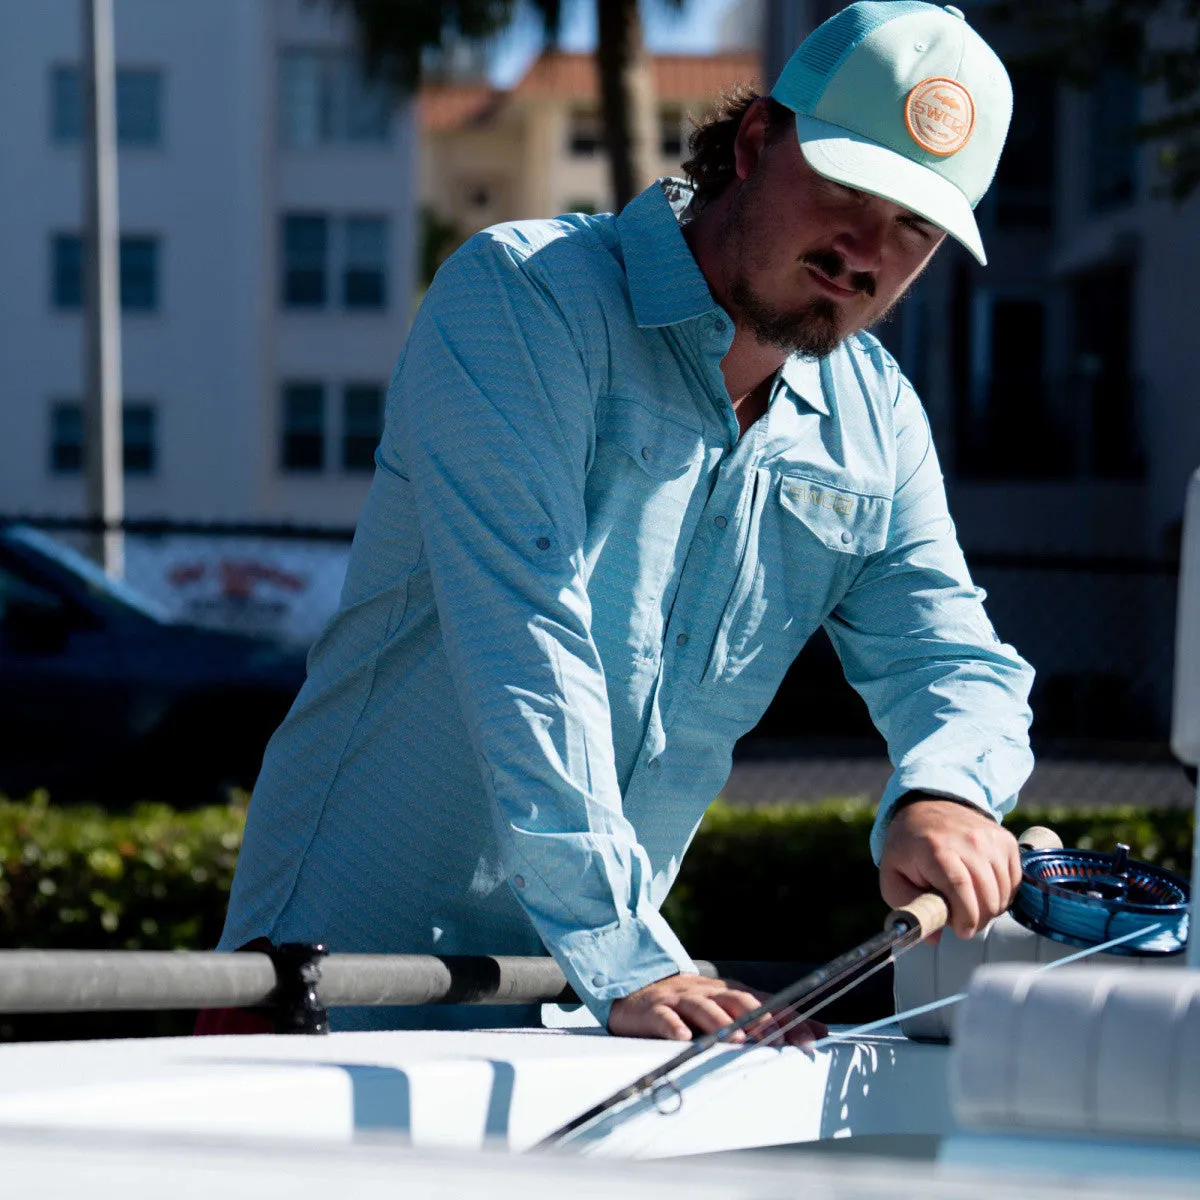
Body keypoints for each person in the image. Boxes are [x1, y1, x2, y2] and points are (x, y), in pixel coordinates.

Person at [214, 0, 1034, 1042]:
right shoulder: (523, 300)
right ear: (753, 142)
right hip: (334, 986)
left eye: (916, 226)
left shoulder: (877, 421)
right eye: (849, 186)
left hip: (581, 1018)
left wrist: (947, 790)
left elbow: (958, 660)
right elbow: (528, 646)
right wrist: (629, 952)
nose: (866, 248)